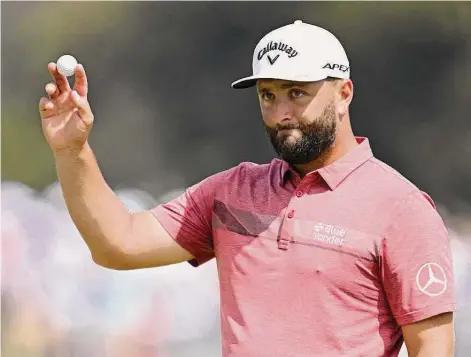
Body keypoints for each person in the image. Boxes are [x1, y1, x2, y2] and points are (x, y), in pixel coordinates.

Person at [39, 20, 456, 357]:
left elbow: (432, 349)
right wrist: (72, 150)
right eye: (268, 95)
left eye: (297, 93)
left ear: (343, 93)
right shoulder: (232, 191)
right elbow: (118, 244)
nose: (281, 113)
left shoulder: (401, 208)